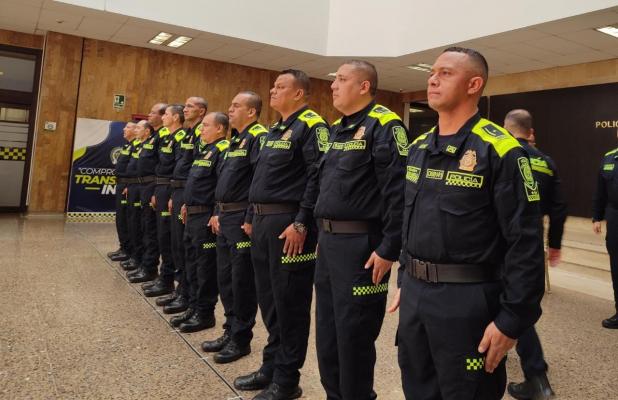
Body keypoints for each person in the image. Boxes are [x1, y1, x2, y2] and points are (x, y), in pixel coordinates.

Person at [390, 47, 545, 400]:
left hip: (467, 302)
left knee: (467, 391)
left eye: (445, 73)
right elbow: (409, 221)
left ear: (474, 84)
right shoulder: (419, 147)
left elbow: (525, 244)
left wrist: (512, 320)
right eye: (432, 72)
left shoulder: (501, 150)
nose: (433, 79)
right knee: (417, 388)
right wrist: (405, 276)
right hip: (415, 296)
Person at [313, 60, 407, 400]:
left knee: (353, 336)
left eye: (341, 79)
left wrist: (389, 248)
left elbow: (398, 192)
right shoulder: (338, 128)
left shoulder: (385, 125)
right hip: (330, 243)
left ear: (364, 86)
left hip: (362, 248)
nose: (333, 85)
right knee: (327, 333)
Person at [235, 69, 327, 400]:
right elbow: (260, 177)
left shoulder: (312, 126)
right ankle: (270, 367)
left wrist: (302, 221)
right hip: (262, 223)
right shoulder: (275, 129)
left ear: (298, 93)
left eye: (280, 87)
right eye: (273, 86)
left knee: (290, 304)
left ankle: (287, 380)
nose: (272, 91)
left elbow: (318, 176)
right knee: (270, 301)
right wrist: (250, 215)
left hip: (289, 225)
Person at [504, 109, 567, 399]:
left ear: (506, 128)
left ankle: (535, 374)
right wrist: (554, 244)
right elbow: (559, 208)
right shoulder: (547, 162)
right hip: (530, 241)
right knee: (520, 303)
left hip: (500, 240)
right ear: (530, 132)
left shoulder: (501, 153)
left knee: (501, 301)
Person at [202, 91, 266, 364]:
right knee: (225, 278)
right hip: (225, 216)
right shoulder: (235, 140)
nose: (230, 109)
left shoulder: (258, 137)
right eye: (230, 104)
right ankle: (229, 330)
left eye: (236, 105)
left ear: (251, 111)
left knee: (241, 282)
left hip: (241, 217)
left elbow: (258, 181)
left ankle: (241, 339)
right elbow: (224, 182)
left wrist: (250, 217)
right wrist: (217, 212)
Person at [175, 112, 229, 333]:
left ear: (219, 128)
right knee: (191, 262)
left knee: (205, 267)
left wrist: (217, 212)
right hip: (192, 214)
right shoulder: (205, 150)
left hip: (206, 216)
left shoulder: (222, 150)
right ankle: (193, 306)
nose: (201, 129)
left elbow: (221, 185)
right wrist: (187, 204)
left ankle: (205, 313)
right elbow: (196, 183)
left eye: (206, 125)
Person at [158, 97, 207, 314]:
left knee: (184, 247)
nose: (185, 109)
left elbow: (197, 169)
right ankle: (181, 290)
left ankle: (187, 294)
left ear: (202, 111)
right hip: (178, 191)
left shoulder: (201, 133)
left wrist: (188, 197)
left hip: (189, 193)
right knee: (178, 244)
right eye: (184, 106)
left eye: (190, 107)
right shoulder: (188, 133)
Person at [143, 104, 187, 297]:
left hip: (171, 189)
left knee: (169, 238)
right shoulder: (167, 137)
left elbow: (177, 170)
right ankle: (164, 277)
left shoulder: (180, 137)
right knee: (161, 235)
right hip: (160, 187)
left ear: (175, 117)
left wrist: (170, 195)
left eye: (166, 114)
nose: (162, 117)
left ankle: (168, 281)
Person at [127, 103, 167, 284]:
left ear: (163, 116)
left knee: (151, 230)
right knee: (144, 226)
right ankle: (144, 264)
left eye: (153, 112)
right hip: (143, 185)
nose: (149, 115)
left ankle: (150, 268)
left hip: (153, 185)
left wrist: (155, 190)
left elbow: (162, 165)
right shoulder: (153, 137)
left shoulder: (163, 137)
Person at [592, 128, 618, 330]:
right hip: (614, 216)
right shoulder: (609, 158)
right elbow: (600, 191)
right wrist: (597, 216)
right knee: (616, 265)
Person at [121, 120, 150, 274]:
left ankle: (139, 258)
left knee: (139, 225)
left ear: (146, 131)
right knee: (128, 221)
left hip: (141, 186)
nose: (125, 129)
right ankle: (130, 253)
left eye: (138, 127)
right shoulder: (136, 145)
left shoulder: (147, 145)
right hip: (131, 185)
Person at [108, 121, 136, 262]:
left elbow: (136, 168)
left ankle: (129, 250)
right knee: (120, 219)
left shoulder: (137, 146)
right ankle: (123, 247)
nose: (124, 129)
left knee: (126, 219)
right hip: (121, 184)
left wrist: (129, 184)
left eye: (128, 127)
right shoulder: (127, 145)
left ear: (136, 130)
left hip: (127, 185)